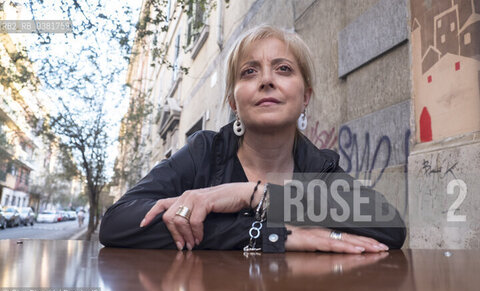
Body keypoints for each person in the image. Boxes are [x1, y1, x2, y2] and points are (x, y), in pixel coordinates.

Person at [100, 25, 406, 253]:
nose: (267, 80)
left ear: (305, 97)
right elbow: (117, 223)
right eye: (249, 72)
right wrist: (275, 235)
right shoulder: (204, 152)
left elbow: (390, 226)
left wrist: (255, 194)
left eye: (283, 69)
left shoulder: (320, 168)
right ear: (233, 102)